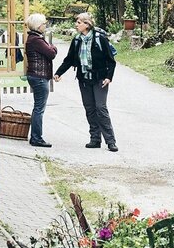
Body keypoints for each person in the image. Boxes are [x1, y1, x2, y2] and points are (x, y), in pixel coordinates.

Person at [53, 12, 118, 151]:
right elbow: (69, 60)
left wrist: (108, 77)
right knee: (90, 108)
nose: (76, 25)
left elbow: (111, 61)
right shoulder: (77, 40)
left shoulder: (100, 38)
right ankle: (95, 139)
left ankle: (110, 141)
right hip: (84, 79)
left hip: (100, 79)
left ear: (87, 24)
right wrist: (58, 73)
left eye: (78, 22)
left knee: (101, 108)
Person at [23, 13, 57, 148]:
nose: (45, 26)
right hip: (39, 76)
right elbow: (51, 53)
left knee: (38, 107)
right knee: (39, 108)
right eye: (44, 24)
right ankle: (36, 138)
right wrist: (53, 47)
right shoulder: (36, 40)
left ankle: (35, 137)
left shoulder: (34, 38)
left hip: (36, 75)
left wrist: (50, 47)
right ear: (38, 26)